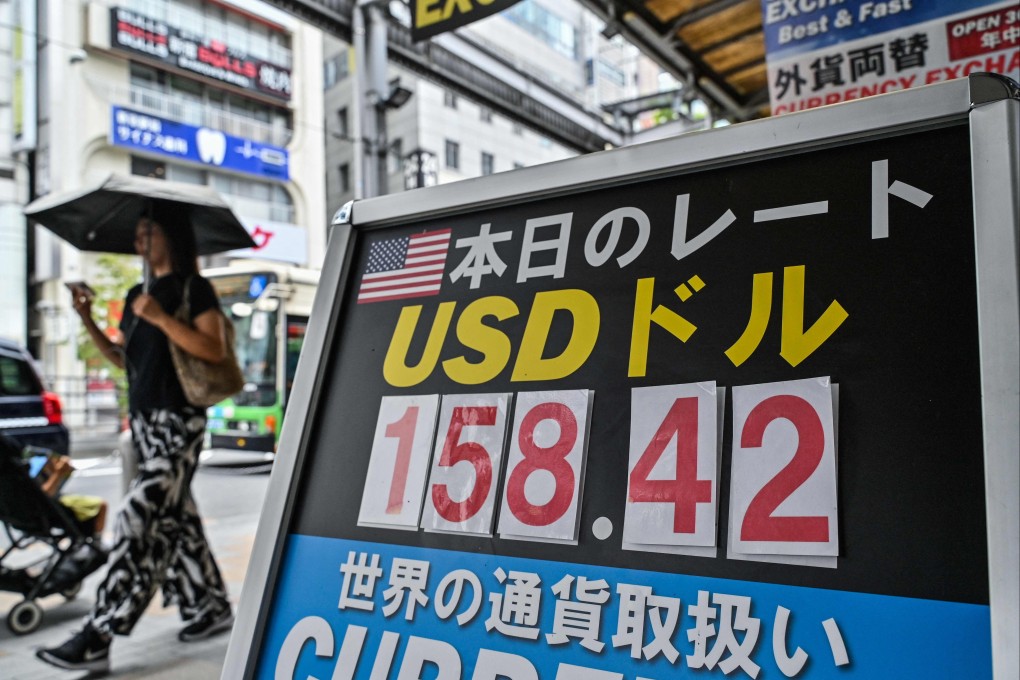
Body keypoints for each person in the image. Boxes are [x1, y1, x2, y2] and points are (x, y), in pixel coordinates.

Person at [37, 202, 233, 673]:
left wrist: (162, 318)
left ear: (171, 237)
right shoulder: (134, 295)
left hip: (179, 425)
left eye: (148, 230)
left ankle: (98, 633)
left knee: (140, 518)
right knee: (177, 520)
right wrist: (86, 317)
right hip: (144, 427)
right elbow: (126, 360)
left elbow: (212, 348)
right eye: (138, 232)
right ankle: (210, 606)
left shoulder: (193, 289)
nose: (139, 239)